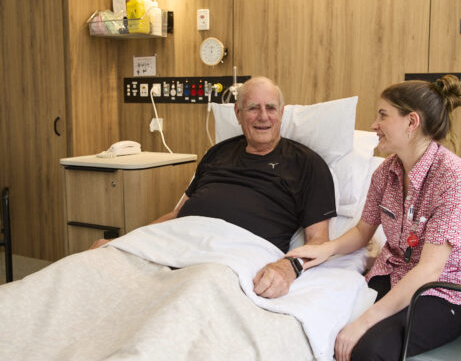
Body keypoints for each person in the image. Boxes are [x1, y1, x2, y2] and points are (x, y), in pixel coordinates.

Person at [287, 75, 461, 361]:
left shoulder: (455, 179)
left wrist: (365, 321)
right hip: (393, 274)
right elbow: (363, 231)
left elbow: (429, 271)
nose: (373, 125)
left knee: (369, 350)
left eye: (383, 115)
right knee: (326, 325)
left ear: (411, 122)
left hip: (443, 293)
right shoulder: (385, 173)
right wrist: (324, 249)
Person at [91, 76, 337, 299]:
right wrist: (126, 240)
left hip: (229, 256)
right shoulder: (217, 153)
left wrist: (288, 267)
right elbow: (177, 215)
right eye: (253, 108)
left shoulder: (307, 164)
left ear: (282, 113)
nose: (263, 116)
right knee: (96, 264)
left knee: (190, 292)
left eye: (271, 107)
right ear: (238, 113)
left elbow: (319, 240)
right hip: (178, 241)